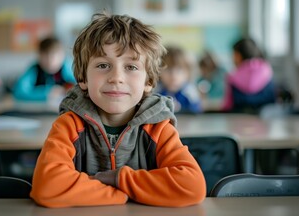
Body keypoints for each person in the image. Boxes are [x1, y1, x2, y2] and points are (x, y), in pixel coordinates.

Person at [30, 13, 206, 208]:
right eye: (103, 65)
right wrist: (122, 195)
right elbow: (47, 187)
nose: (116, 77)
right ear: (83, 79)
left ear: (148, 82)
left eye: (131, 67)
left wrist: (119, 179)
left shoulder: (158, 128)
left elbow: (192, 186)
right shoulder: (69, 125)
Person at [12, 36, 76, 101]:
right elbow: (19, 92)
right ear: (39, 56)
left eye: (54, 56)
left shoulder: (68, 67)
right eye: (45, 56)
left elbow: (82, 87)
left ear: (62, 55)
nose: (50, 61)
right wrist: (48, 92)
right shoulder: (35, 69)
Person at [222, 37, 276, 113]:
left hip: (237, 120)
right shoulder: (267, 70)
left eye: (233, 54)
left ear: (238, 56)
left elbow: (227, 106)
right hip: (268, 120)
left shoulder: (232, 77)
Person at [156, 45, 203, 114]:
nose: (173, 76)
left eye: (179, 70)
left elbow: (197, 112)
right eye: (168, 70)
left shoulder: (190, 92)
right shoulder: (156, 91)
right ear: (158, 71)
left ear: (188, 72)